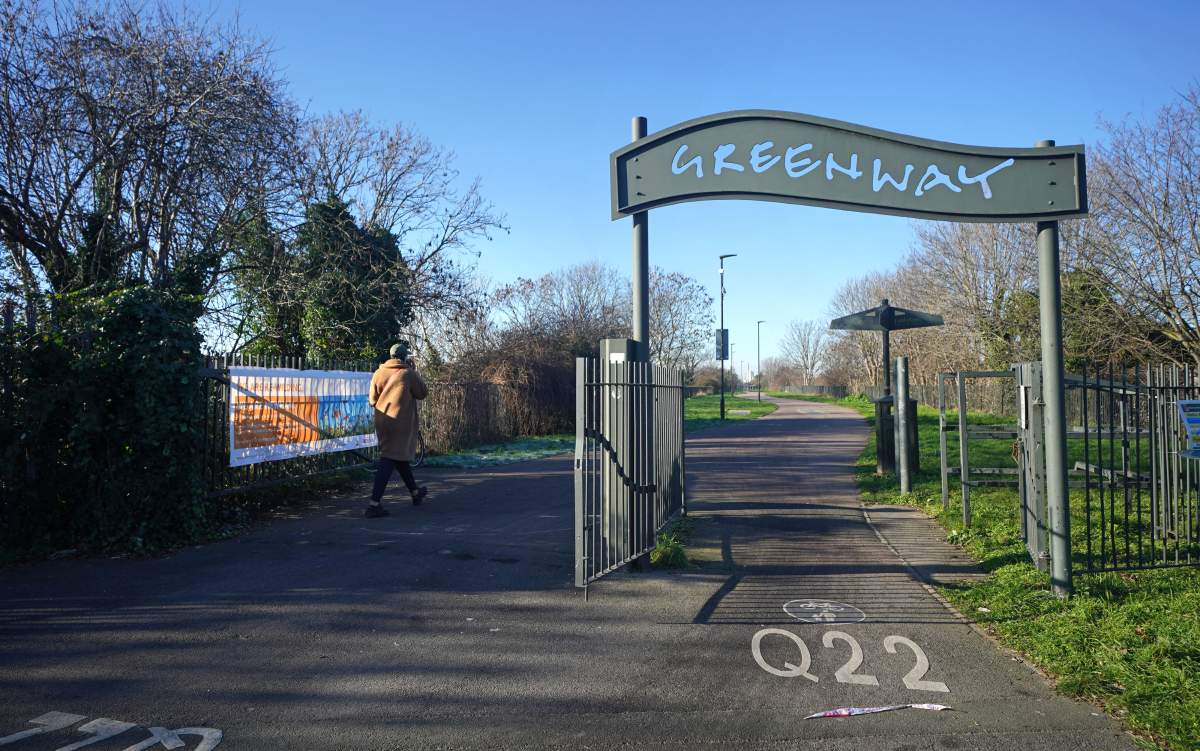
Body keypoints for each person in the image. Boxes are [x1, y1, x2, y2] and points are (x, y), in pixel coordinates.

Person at [365, 341, 428, 517]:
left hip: (383, 421)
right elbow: (422, 392)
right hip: (401, 423)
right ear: (404, 357)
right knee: (388, 459)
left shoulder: (378, 373)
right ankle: (373, 505)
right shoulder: (408, 373)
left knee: (398, 458)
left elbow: (372, 400)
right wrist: (414, 371)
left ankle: (415, 493)